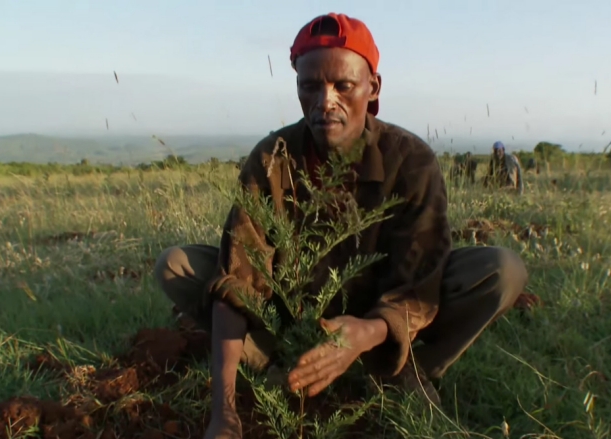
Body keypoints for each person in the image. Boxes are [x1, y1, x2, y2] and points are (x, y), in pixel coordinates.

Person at [154, 13, 528, 439]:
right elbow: (239, 283)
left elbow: (419, 279)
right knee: (178, 265)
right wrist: (224, 412)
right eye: (310, 86)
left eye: (343, 86)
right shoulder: (272, 158)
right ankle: (286, 362)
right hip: (293, 319)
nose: (325, 101)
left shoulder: (410, 159)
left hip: (381, 321)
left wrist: (368, 331)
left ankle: (401, 371)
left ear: (373, 89)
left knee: (500, 270)